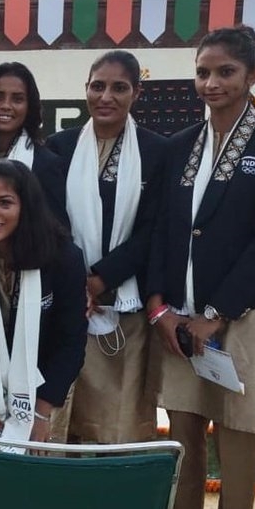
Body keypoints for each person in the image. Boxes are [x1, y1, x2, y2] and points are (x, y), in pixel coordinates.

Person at [146, 26, 255, 509]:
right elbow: (161, 233)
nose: (210, 83)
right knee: (185, 435)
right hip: (181, 319)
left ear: (252, 76)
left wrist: (217, 313)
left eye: (224, 72)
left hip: (242, 315)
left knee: (238, 438)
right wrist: (163, 309)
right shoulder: (179, 147)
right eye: (202, 72)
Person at [45, 51, 169, 445]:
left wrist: (99, 281)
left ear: (137, 92)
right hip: (67, 307)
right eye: (98, 86)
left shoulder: (157, 152)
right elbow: (50, 222)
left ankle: (111, 504)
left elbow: (153, 230)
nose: (106, 96)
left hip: (124, 309)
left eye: (119, 87)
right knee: (63, 418)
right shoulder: (58, 147)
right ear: (86, 88)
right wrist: (75, 282)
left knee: (117, 426)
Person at [0, 159, 87, 450]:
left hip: (46, 396)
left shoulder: (63, 258)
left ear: (27, 206)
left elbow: (70, 341)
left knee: (37, 484)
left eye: (4, 203)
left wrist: (42, 413)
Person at [0, 62, 69, 228]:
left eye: (17, 99)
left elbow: (57, 229)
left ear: (29, 107)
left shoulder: (46, 164)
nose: (5, 106)